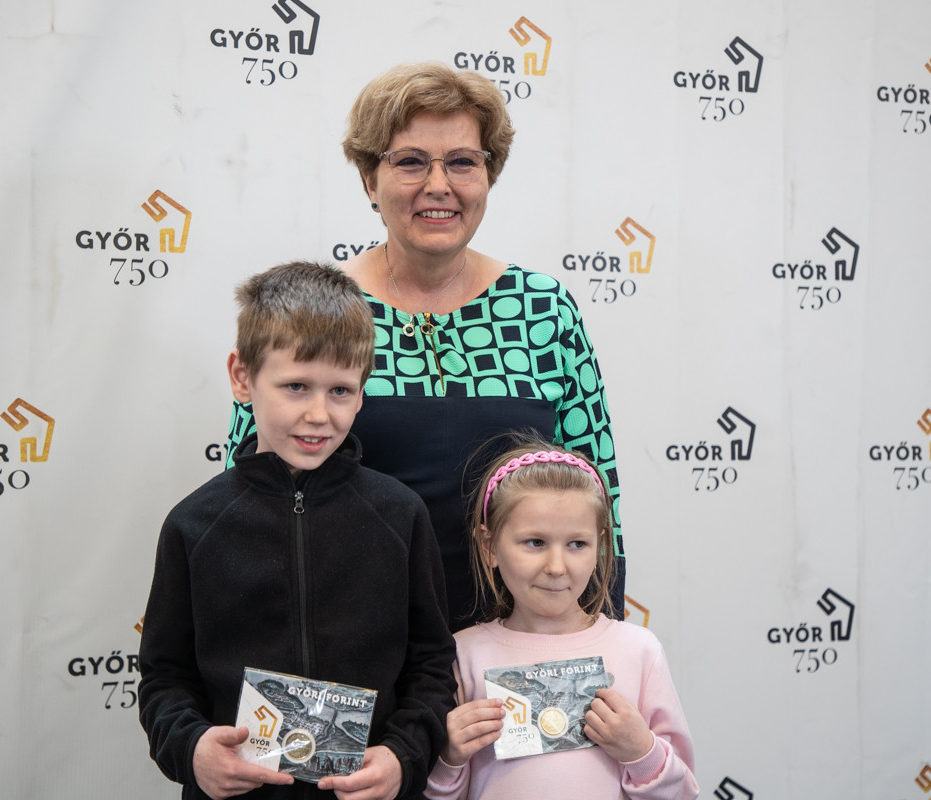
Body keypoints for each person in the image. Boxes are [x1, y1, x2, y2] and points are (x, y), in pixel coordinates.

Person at [228, 62, 625, 632]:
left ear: (488, 177)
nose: (439, 184)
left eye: (462, 161)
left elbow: (596, 489)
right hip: (351, 644)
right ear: (370, 181)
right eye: (410, 161)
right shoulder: (316, 309)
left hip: (514, 653)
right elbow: (247, 484)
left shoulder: (543, 308)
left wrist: (598, 635)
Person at [140, 261, 457, 800]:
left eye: (340, 391)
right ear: (243, 377)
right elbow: (163, 678)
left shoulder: (401, 515)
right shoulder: (193, 525)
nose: (318, 414)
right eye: (296, 386)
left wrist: (403, 757)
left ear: (362, 392)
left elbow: (431, 665)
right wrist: (192, 750)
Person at [425, 435, 697, 800]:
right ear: (489, 547)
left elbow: (683, 793)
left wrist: (642, 752)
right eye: (535, 542)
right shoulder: (463, 653)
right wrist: (449, 758)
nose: (556, 566)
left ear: (600, 547)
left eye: (577, 544)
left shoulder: (639, 650)